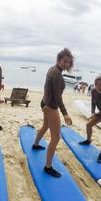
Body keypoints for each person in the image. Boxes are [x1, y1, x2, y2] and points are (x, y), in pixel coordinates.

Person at [32, 48, 73, 178]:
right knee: (56, 137)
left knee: (45, 126)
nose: (66, 64)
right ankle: (48, 167)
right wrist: (65, 113)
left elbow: (47, 88)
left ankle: (36, 144)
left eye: (68, 62)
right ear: (59, 60)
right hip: (51, 106)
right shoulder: (57, 73)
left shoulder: (52, 69)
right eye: (64, 61)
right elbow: (57, 96)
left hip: (45, 103)